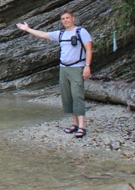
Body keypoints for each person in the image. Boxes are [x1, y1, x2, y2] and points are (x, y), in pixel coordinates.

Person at [17, 10, 93, 138]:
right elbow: (43, 35)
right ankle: (74, 124)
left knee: (77, 95)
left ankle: (82, 127)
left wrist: (87, 66)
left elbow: (89, 49)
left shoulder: (81, 31)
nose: (65, 20)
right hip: (63, 68)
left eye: (67, 18)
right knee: (67, 96)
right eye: (63, 19)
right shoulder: (61, 34)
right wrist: (28, 29)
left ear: (73, 18)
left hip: (77, 67)